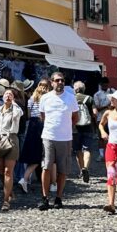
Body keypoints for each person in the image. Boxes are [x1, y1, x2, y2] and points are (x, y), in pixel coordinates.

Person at [38, 72, 78, 211]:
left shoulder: (71, 98)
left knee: (63, 169)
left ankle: (59, 197)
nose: (60, 82)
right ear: (52, 82)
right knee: (46, 166)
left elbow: (75, 117)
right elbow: (42, 116)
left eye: (62, 80)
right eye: (57, 80)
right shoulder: (45, 98)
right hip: (49, 136)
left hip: (65, 138)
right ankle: (44, 198)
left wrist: (66, 127)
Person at [0, 87, 24, 211]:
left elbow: (19, 114)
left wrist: (13, 103)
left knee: (8, 171)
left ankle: (6, 200)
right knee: (1, 171)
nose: (8, 96)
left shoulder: (16, 109)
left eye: (10, 94)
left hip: (11, 139)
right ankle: (10, 191)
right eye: (6, 94)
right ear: (2, 97)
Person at [17, 78, 50, 195]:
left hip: (32, 125)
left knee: (34, 153)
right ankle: (27, 179)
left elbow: (29, 114)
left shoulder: (31, 98)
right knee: (42, 154)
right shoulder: (48, 98)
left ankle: (27, 179)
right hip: (42, 124)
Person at [73, 81, 98, 183]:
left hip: (75, 129)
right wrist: (93, 120)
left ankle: (81, 170)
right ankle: (86, 168)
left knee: (78, 150)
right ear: (84, 89)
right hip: (88, 127)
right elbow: (95, 113)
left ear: (75, 89)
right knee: (87, 149)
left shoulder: (72, 99)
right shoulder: (89, 99)